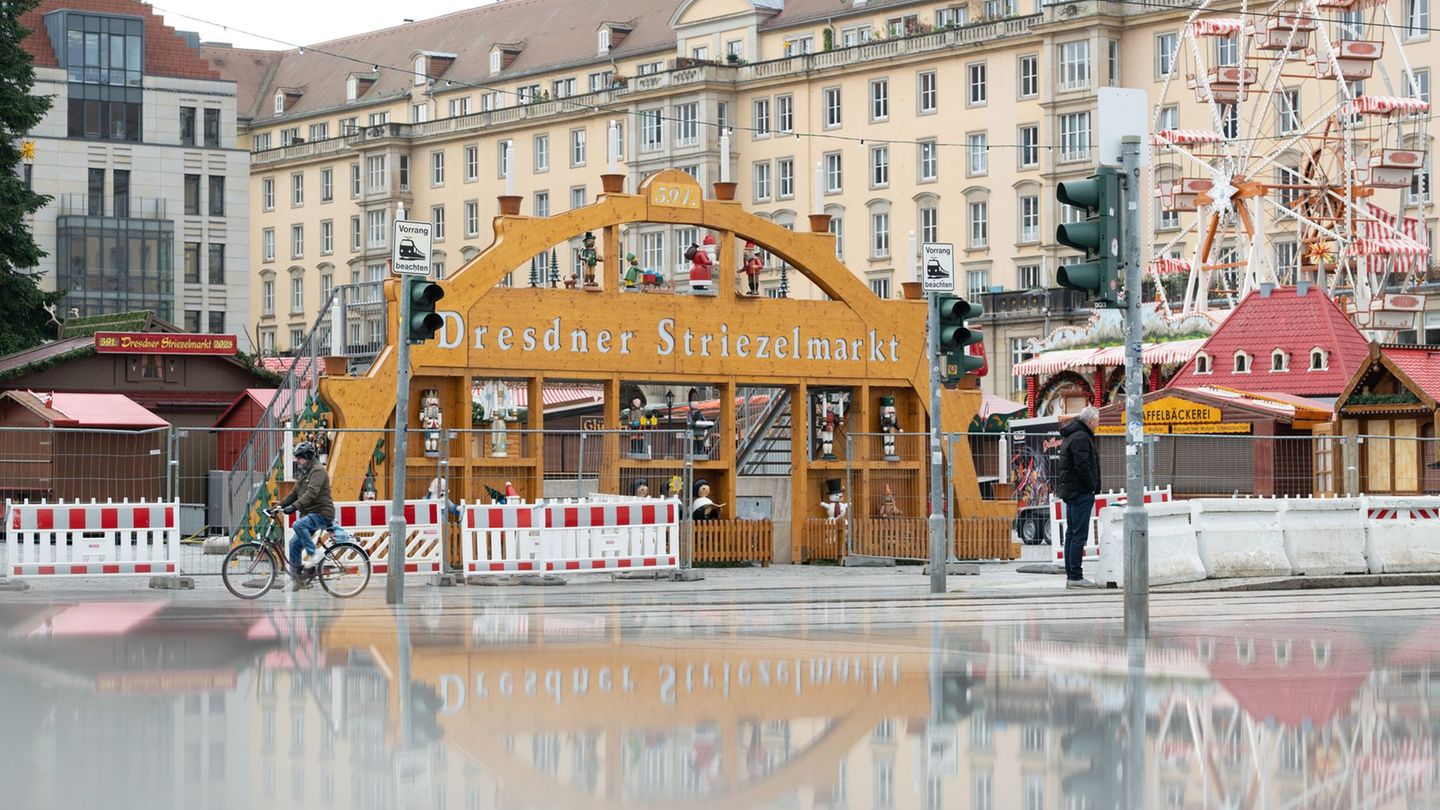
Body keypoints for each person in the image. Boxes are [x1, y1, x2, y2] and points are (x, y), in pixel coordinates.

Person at [270, 441, 338, 591]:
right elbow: (295, 493)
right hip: (310, 514)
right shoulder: (304, 471)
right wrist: (279, 506)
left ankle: (314, 554)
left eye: (299, 458)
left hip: (322, 512)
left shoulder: (318, 471)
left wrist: (293, 508)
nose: (297, 461)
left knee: (298, 525)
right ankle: (297, 581)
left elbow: (311, 494)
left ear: (307, 456)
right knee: (294, 544)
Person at [1056, 406, 1102, 589]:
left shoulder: (1072, 435)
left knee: (1071, 533)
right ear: (1090, 421)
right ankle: (1075, 576)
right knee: (1078, 535)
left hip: (1071, 490)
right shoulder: (1082, 438)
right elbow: (1082, 465)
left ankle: (1071, 574)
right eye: (1097, 421)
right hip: (1080, 491)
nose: (1098, 425)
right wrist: (1091, 486)